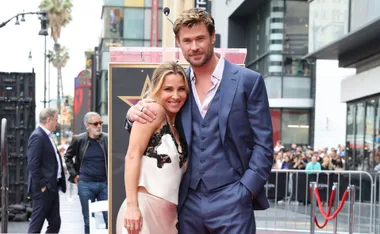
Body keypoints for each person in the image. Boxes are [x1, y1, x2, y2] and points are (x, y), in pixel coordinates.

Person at [125, 8, 273, 234]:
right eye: (187, 40)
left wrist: (246, 191)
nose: (194, 47)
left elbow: (264, 145)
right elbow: (154, 117)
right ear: (178, 42)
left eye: (200, 38)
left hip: (234, 201)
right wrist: (130, 115)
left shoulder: (248, 81)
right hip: (188, 203)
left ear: (213, 37)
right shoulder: (178, 82)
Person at [117, 62, 189, 234]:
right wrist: (132, 207)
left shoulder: (178, 126)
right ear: (157, 89)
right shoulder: (152, 111)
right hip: (142, 212)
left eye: (181, 89)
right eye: (168, 89)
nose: (175, 95)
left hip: (169, 217)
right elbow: (132, 156)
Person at [64, 112, 108, 234]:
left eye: (100, 123)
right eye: (95, 124)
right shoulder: (79, 140)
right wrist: (74, 175)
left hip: (104, 184)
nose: (99, 126)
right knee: (88, 219)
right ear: (87, 126)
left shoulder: (107, 139)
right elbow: (68, 157)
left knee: (109, 217)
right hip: (86, 184)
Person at [27, 108, 66, 233]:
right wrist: (42, 184)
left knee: (55, 223)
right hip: (44, 189)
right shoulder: (38, 136)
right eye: (56, 119)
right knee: (36, 226)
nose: (57, 123)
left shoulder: (47, 136)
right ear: (49, 119)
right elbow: (33, 164)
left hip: (52, 187)